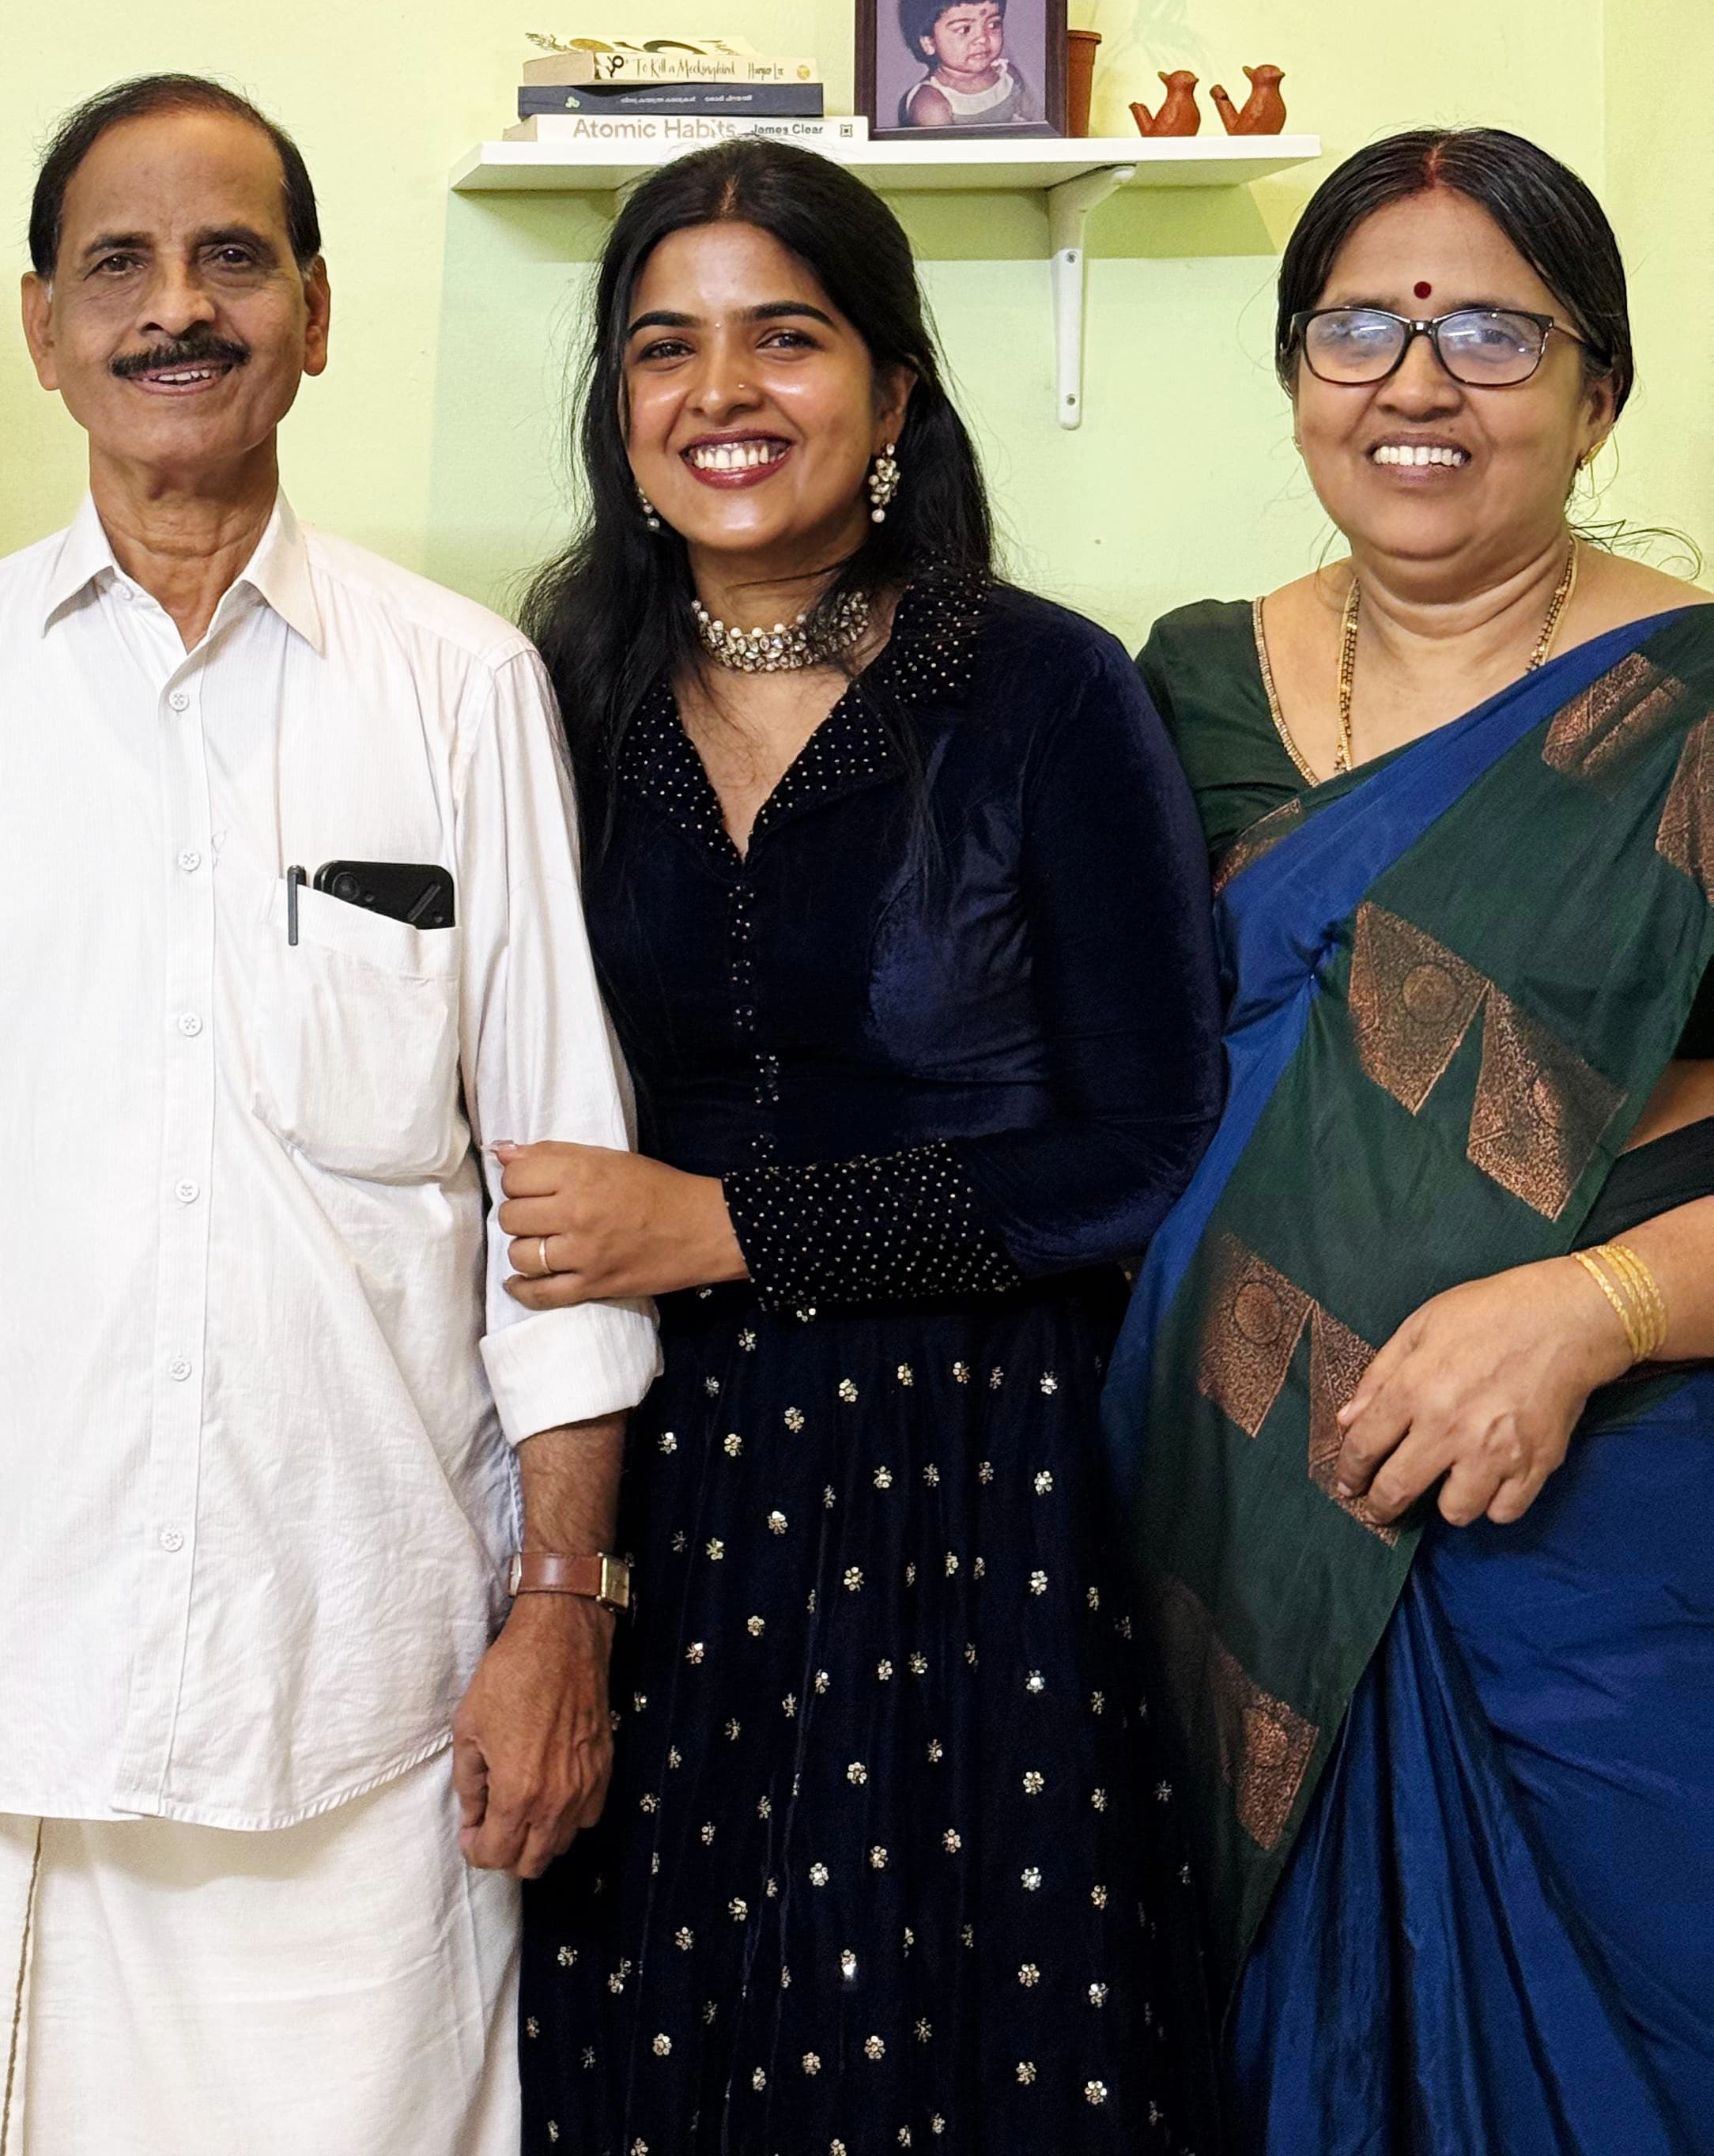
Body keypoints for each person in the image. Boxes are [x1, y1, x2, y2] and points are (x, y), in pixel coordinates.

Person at [0, 74, 659, 2156]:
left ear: (316, 312)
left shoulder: (459, 686)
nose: (173, 308)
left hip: (357, 1698)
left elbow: (559, 1201)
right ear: (42, 325)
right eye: (119, 262)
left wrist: (563, 1614)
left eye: (230, 258)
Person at [507, 137, 1226, 2152]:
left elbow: (1143, 1143)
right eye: (666, 347)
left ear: (895, 389)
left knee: (962, 2048)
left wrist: (729, 1227)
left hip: (974, 1488)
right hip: (639, 1482)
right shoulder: (541, 699)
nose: (721, 392)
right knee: (651, 2039)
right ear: (619, 407)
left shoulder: (1048, 693)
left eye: (786, 337)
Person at [1116, 127, 1714, 2153]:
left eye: (1489, 331)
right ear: (1298, 373)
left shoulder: (1701, 705)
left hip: (1603, 1576)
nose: (1417, 382)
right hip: (1233, 1556)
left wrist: (1593, 1304)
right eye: (1360, 326)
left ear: (1598, 389)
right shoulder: (1184, 689)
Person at [896, 0, 1046, 130]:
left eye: (993, 25)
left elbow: (1039, 124)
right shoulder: (932, 104)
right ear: (929, 43)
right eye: (964, 29)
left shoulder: (1009, 76)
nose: (982, 38)